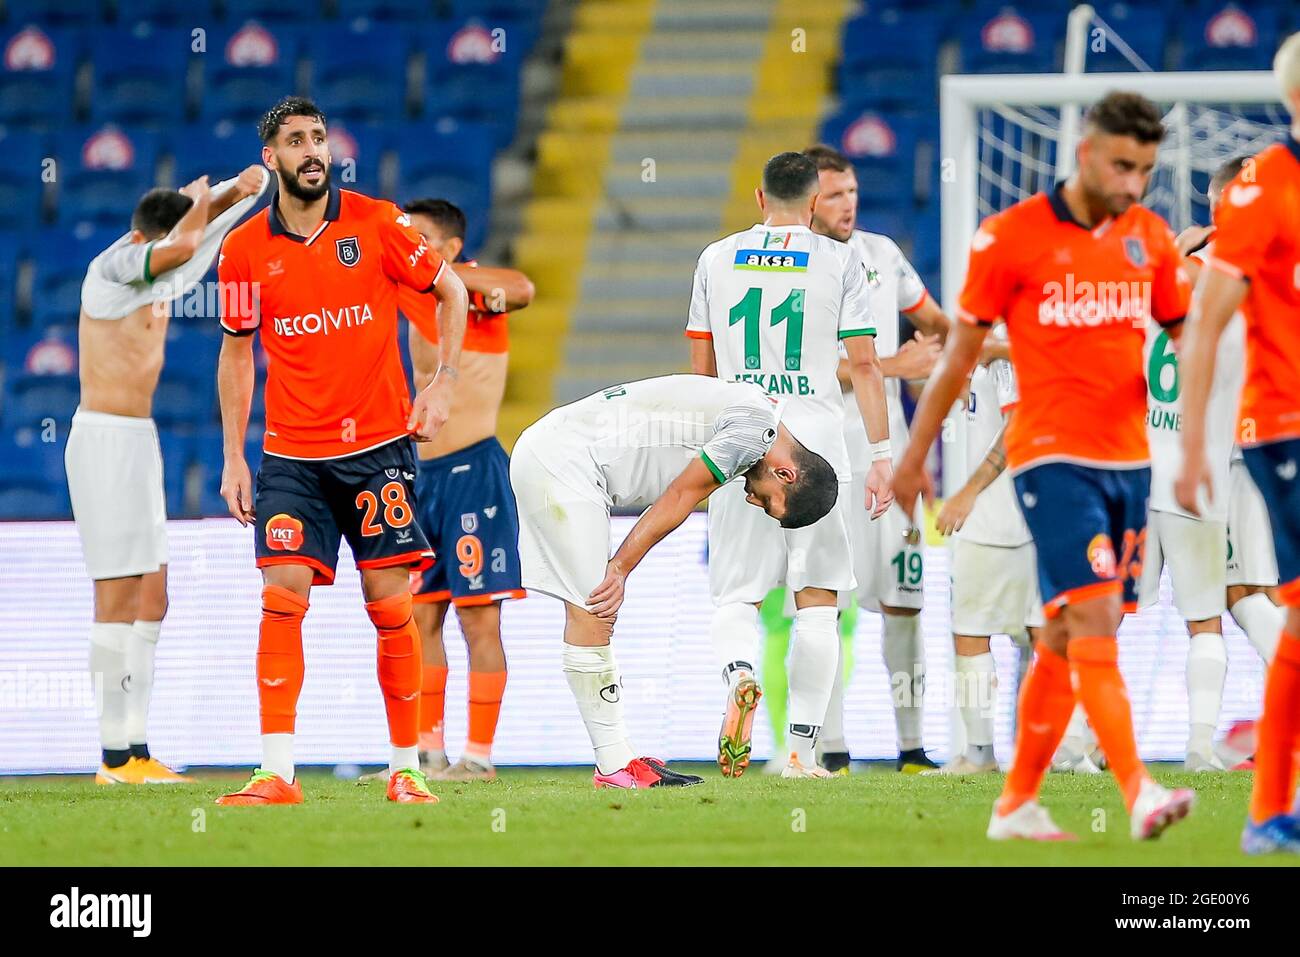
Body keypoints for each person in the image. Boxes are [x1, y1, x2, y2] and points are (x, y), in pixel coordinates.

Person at [894, 91, 1196, 841]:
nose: (1132, 184)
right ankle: (1137, 790)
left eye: (1147, 170)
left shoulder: (1150, 238)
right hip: (1050, 457)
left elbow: (1189, 339)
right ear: (1085, 150)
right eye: (1122, 165)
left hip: (1131, 462)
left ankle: (1015, 800)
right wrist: (912, 458)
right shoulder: (1010, 238)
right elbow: (957, 357)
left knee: (1065, 636)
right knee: (1092, 618)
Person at [213, 96, 468, 806]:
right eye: (295, 140)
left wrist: (441, 382)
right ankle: (277, 773)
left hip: (379, 448)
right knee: (280, 594)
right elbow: (235, 355)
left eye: (318, 137)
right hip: (290, 456)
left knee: (391, 603)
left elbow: (451, 293)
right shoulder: (242, 250)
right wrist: (233, 456)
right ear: (272, 159)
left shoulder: (378, 222)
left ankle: (405, 769)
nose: (312, 150)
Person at [510, 374, 841, 788]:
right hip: (564, 463)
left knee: (593, 610)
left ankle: (618, 756)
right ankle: (613, 765)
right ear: (786, 473)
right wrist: (621, 567)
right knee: (595, 608)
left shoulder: (761, 410)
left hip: (561, 453)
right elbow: (681, 495)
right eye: (768, 501)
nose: (752, 500)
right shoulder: (753, 434)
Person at [687, 151, 892, 779]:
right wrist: (881, 456)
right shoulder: (839, 259)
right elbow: (863, 365)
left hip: (740, 438)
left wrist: (706, 454)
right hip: (819, 444)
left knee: (736, 596)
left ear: (758, 199)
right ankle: (803, 751)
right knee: (819, 602)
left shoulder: (716, 258)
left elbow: (702, 369)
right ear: (812, 204)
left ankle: (740, 673)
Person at [69, 165, 267, 785]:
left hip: (139, 442)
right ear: (141, 242)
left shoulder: (153, 275)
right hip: (101, 441)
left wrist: (238, 198)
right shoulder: (112, 271)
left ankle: (137, 749)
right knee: (117, 592)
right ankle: (111, 758)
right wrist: (213, 194)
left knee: (154, 594)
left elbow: (197, 248)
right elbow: (183, 243)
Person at [1175, 32, 1300, 854]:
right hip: (1287, 426)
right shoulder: (1262, 187)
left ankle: (1267, 808)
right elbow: (1207, 318)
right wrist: (1189, 449)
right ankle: (1265, 808)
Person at [804, 143, 950, 773]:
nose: (849, 204)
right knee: (826, 607)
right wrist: (898, 366)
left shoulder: (882, 255)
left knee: (905, 602)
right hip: (822, 464)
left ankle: (912, 747)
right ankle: (829, 749)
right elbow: (804, 368)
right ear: (807, 199)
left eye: (854, 191)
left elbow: (939, 329)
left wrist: (963, 352)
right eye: (835, 194)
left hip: (887, 462)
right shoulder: (791, 265)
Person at [1137, 155, 1282, 772]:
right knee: (1239, 597)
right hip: (1225, 464)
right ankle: (1203, 744)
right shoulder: (1252, 281)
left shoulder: (1162, 277)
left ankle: (1078, 742)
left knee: (1103, 608)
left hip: (1142, 465)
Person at [389, 198, 534, 782]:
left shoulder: (477, 295)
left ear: (449, 248)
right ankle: (427, 754)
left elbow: (523, 287)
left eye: (420, 238)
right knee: (419, 619)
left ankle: (479, 756)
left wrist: (445, 271)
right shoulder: (408, 293)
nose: (407, 246)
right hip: (419, 478)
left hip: (475, 473)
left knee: (480, 620)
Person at [930, 330, 1042, 775]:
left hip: (999, 515)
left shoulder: (1007, 342)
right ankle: (1056, 750)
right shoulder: (993, 339)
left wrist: (969, 492)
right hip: (1028, 514)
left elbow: (1020, 424)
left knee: (975, 632)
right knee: (1039, 637)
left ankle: (983, 752)